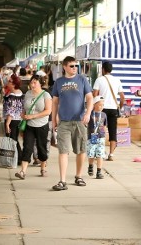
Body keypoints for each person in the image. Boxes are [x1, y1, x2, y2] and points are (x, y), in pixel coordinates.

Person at [50, 56, 94, 191]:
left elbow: (90, 97)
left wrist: (87, 113)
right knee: (63, 150)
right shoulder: (59, 82)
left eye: (76, 66)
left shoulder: (82, 79)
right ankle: (62, 180)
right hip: (64, 121)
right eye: (72, 66)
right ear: (64, 67)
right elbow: (55, 102)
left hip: (79, 121)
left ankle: (79, 176)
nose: (74, 68)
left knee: (81, 150)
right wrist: (53, 120)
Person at [15, 74, 52, 179]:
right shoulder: (27, 94)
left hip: (42, 125)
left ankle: (43, 168)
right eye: (31, 82)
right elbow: (25, 108)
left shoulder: (46, 95)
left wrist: (33, 116)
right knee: (27, 147)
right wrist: (23, 114)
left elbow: (48, 111)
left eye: (35, 82)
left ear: (40, 83)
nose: (32, 84)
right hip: (29, 125)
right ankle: (23, 171)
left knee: (41, 148)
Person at [92, 61, 126, 161]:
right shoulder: (117, 80)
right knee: (113, 131)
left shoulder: (99, 80)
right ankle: (111, 154)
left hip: (102, 108)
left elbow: (95, 94)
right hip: (113, 109)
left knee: (98, 130)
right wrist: (119, 106)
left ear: (103, 69)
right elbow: (122, 97)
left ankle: (98, 152)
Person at [3, 74, 25, 165]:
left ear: (14, 84)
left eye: (10, 81)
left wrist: (7, 123)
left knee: (12, 140)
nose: (8, 82)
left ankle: (17, 158)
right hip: (19, 119)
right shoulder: (20, 93)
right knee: (14, 139)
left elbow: (10, 111)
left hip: (12, 120)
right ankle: (19, 157)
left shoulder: (12, 95)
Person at [86, 97, 107, 179]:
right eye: (100, 105)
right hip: (91, 137)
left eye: (103, 105)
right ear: (94, 105)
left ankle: (99, 171)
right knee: (91, 153)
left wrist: (105, 134)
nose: (101, 107)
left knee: (100, 154)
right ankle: (90, 166)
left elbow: (104, 125)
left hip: (101, 137)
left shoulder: (104, 115)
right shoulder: (90, 114)